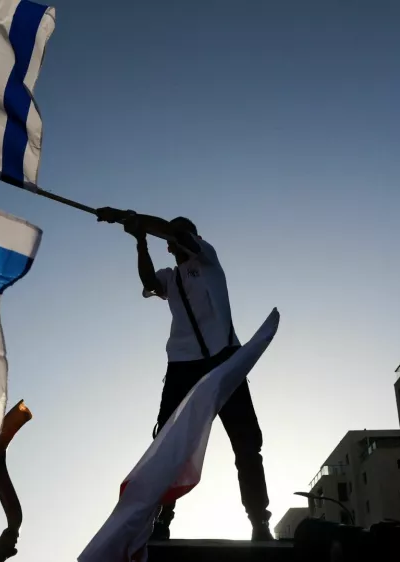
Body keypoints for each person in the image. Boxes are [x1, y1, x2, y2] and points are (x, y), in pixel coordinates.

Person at [96, 206, 274, 542]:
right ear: (169, 248)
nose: (182, 240)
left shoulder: (208, 260)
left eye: (186, 235)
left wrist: (125, 215)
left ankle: (259, 521)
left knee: (247, 442)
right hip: (182, 365)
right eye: (177, 237)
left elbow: (172, 231)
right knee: (167, 443)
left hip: (224, 357)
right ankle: (161, 523)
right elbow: (149, 282)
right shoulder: (170, 277)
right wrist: (139, 241)